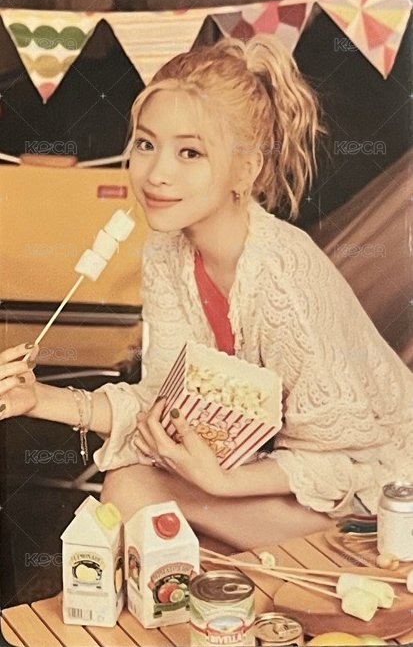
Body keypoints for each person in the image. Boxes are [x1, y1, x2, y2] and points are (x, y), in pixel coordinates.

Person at [1, 35, 413, 552]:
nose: (157, 174)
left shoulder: (281, 272)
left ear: (247, 169)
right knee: (130, 485)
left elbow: (342, 461)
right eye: (146, 144)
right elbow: (162, 406)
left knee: (137, 500)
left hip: (376, 502)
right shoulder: (167, 251)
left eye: (190, 152)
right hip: (269, 482)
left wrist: (221, 483)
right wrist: (37, 398)